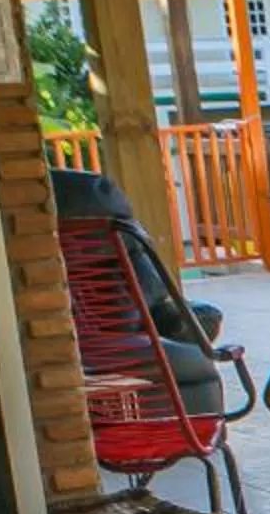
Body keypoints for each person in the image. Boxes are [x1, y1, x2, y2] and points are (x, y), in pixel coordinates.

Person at [49, 167, 233, 419]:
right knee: (195, 345)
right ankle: (200, 424)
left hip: (66, 352)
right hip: (124, 345)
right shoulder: (123, 234)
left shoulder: (36, 246)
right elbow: (155, 290)